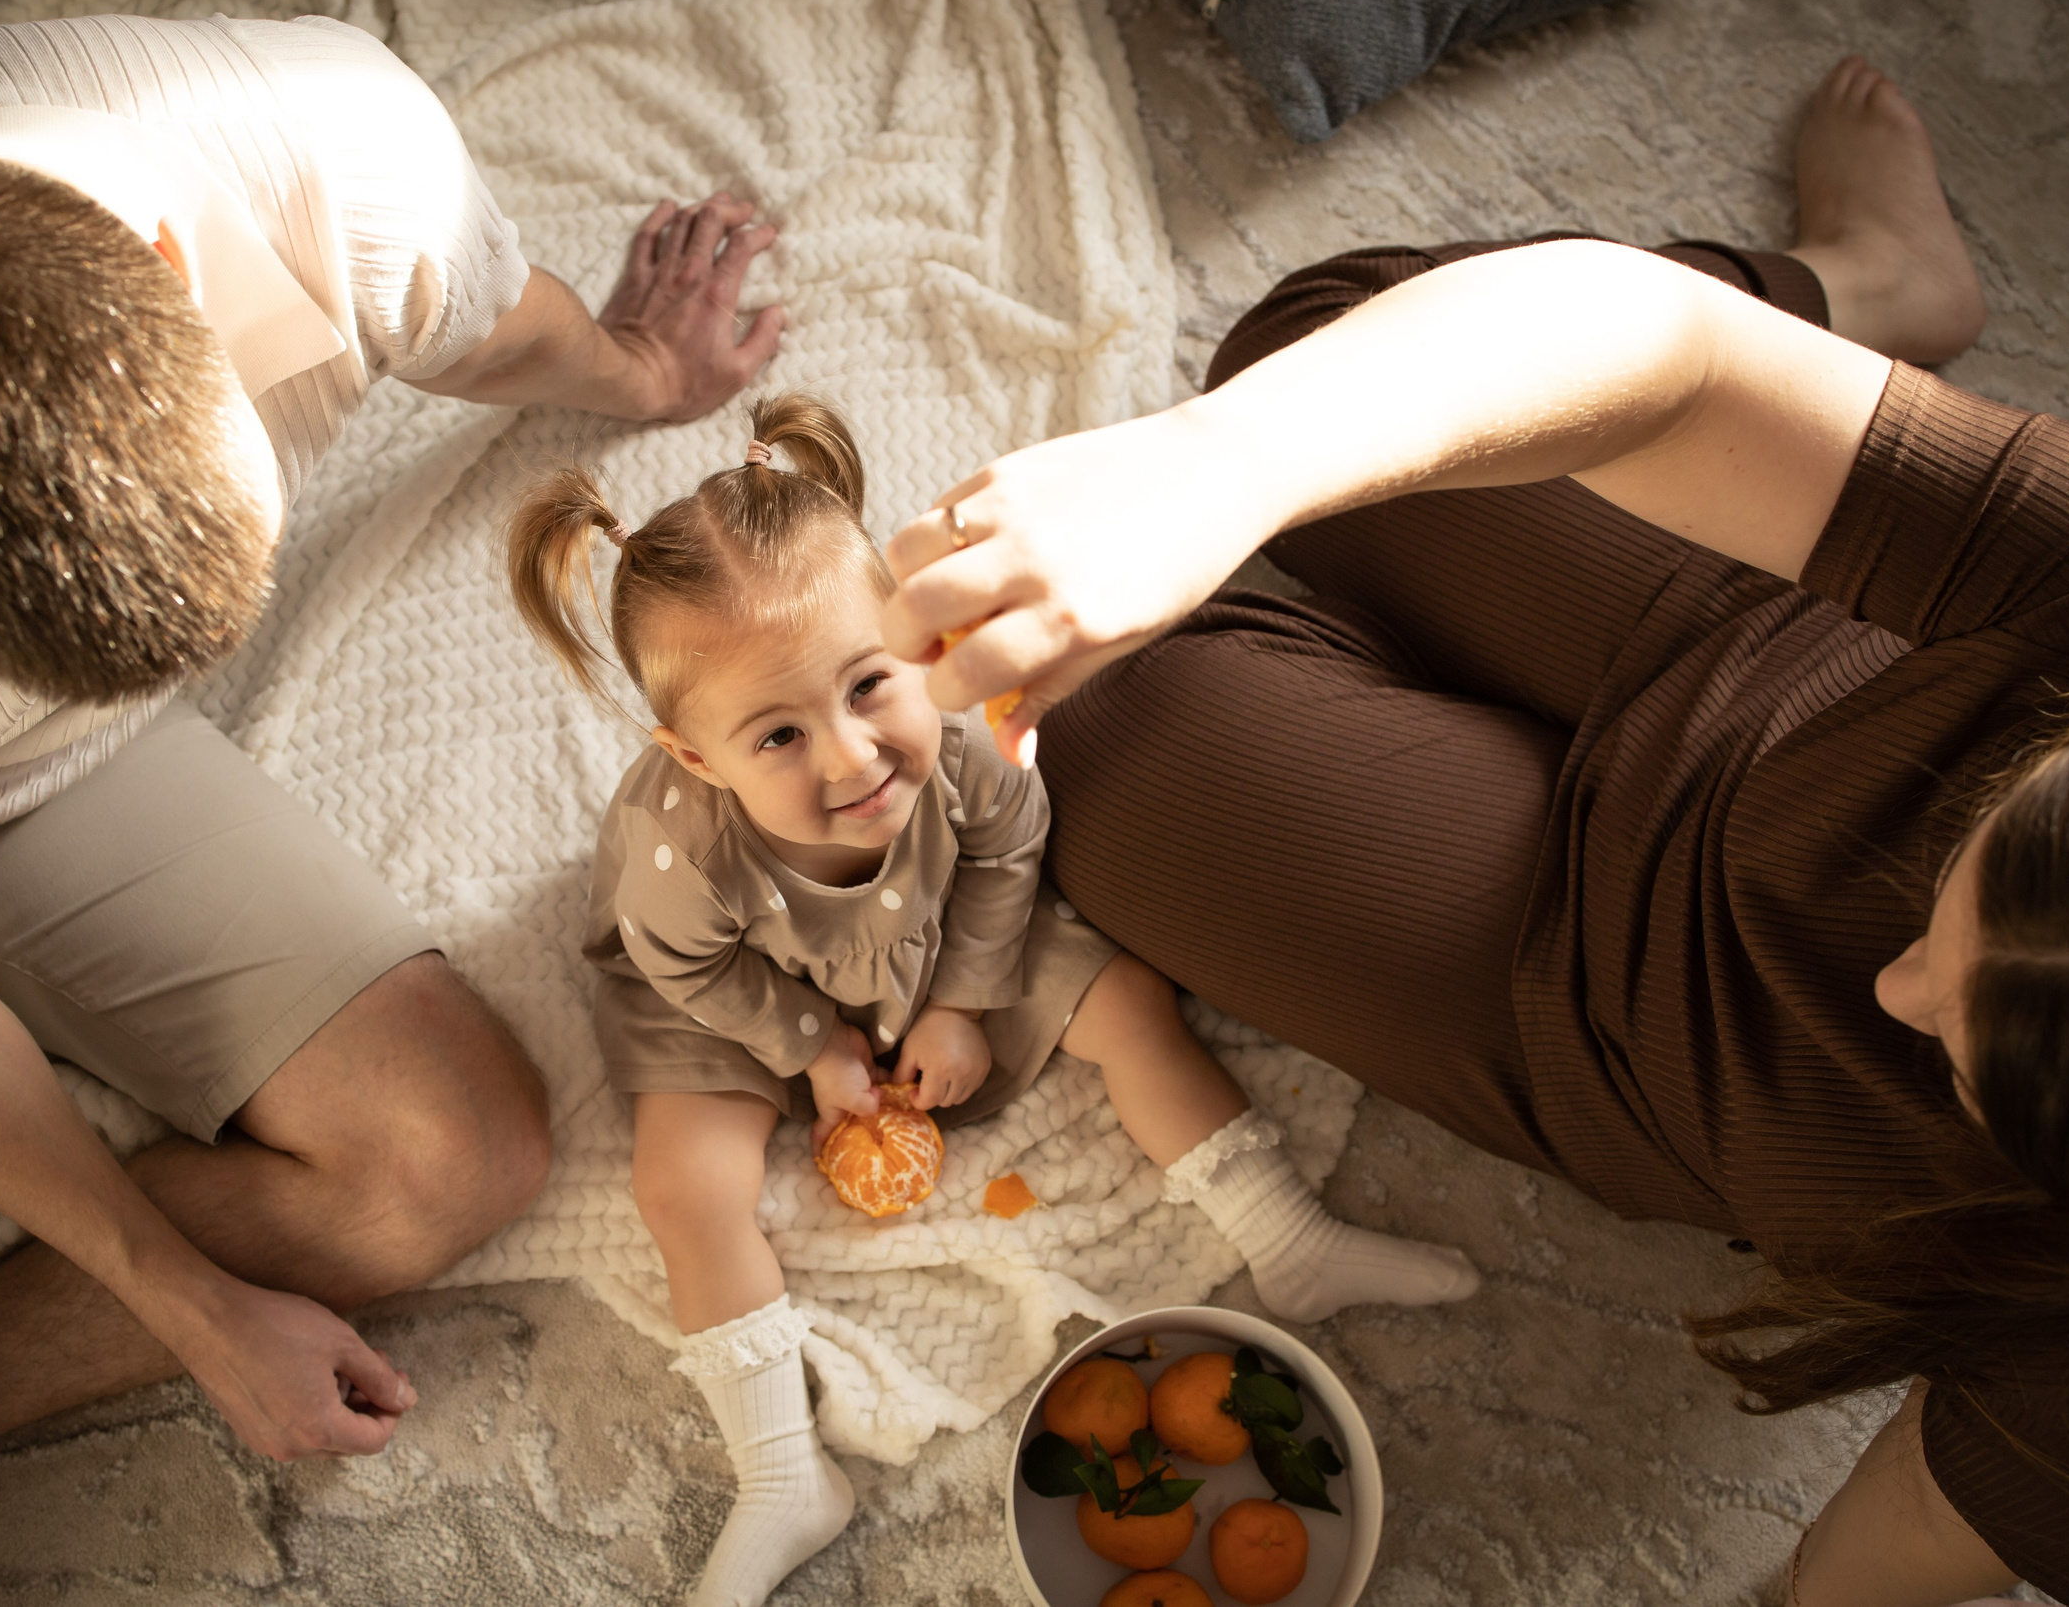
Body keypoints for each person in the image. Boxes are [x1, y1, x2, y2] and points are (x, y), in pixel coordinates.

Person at [879, 56, 2069, 1607]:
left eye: (1957, 1050)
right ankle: (1869, 284)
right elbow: (1672, 356)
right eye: (1968, 870)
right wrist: (1214, 471)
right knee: (1314, 338)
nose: (1893, 982)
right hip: (1767, 633)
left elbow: (1941, 1520)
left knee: (1081, 734)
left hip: (1613, 1016)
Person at [0, 13, 783, 1607]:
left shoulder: (331, 153)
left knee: (437, 1151)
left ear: (164, 263)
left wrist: (639, 363)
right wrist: (188, 1299)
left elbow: (494, 325)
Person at [504, 394, 1479, 1607]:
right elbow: (689, 969)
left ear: (914, 647)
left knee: (1127, 1001)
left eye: (868, 685)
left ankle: (1287, 1241)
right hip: (744, 989)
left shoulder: (963, 747)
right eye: (777, 738)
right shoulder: (677, 857)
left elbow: (1011, 851)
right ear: (696, 759)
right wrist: (810, 1046)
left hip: (932, 939)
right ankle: (781, 1472)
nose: (852, 758)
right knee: (680, 1187)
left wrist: (961, 1002)